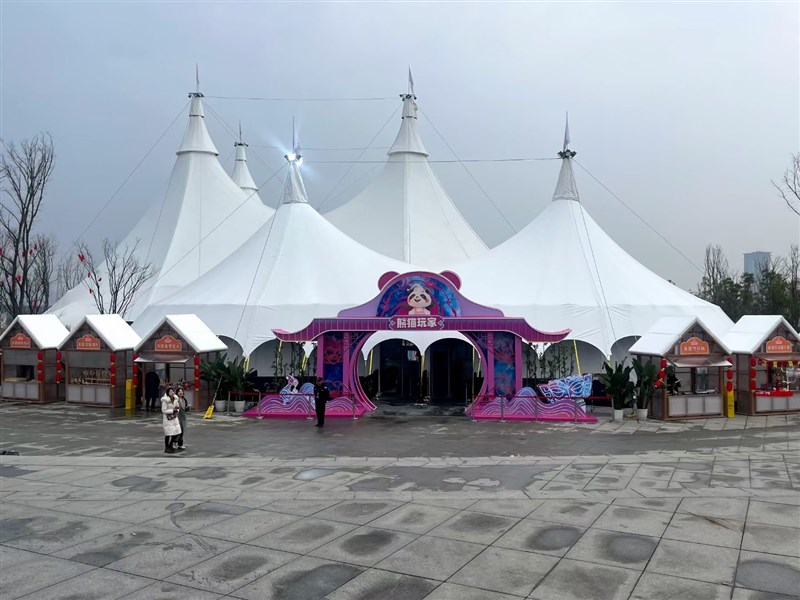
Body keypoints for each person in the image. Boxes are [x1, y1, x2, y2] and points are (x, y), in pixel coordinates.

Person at [161, 387, 181, 453]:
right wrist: (172, 411)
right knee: (168, 434)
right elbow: (163, 410)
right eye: (170, 391)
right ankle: (167, 447)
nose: (172, 393)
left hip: (174, 418)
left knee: (176, 432)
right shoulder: (165, 400)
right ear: (167, 393)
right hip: (167, 419)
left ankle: (170, 445)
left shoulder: (175, 399)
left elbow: (177, 407)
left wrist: (176, 410)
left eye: (172, 391)